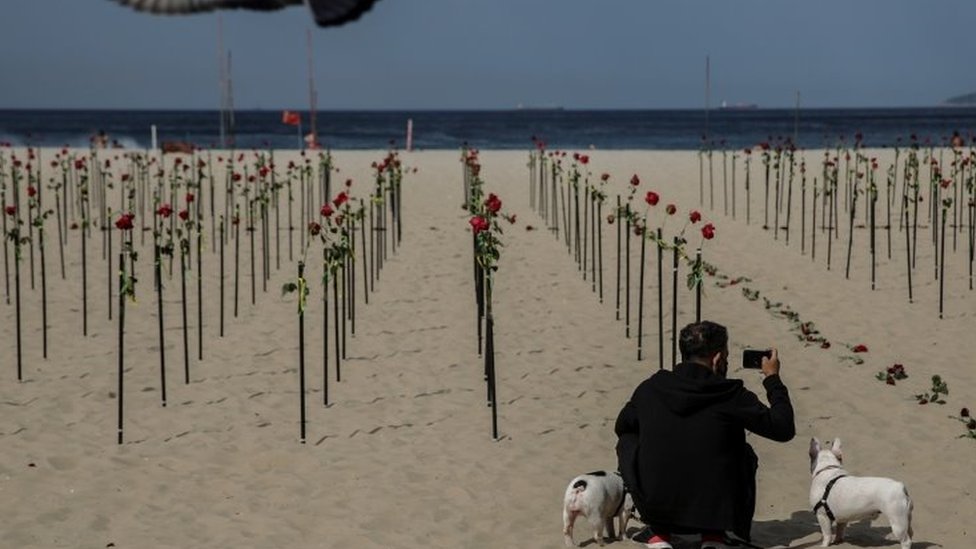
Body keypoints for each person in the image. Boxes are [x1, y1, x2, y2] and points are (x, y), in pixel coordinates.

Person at [615, 321, 795, 549]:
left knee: (628, 440)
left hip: (657, 508)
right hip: (713, 512)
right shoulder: (731, 394)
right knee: (744, 452)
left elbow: (622, 425)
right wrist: (772, 378)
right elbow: (783, 428)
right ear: (718, 359)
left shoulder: (650, 388)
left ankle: (660, 534)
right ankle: (713, 536)